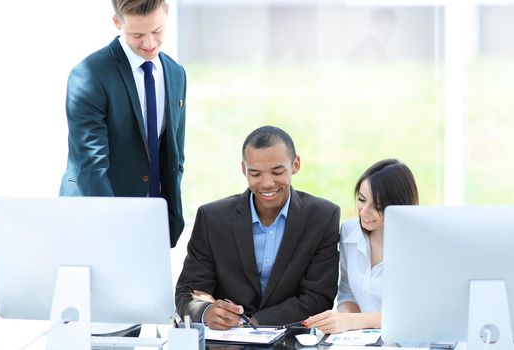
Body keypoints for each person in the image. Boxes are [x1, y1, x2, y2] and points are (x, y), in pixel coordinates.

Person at [175, 125, 341, 330]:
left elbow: (318, 297)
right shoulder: (212, 218)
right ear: (244, 169)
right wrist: (207, 312)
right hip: (225, 342)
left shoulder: (323, 217)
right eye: (255, 174)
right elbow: (188, 293)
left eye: (277, 171)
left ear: (295, 164)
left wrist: (255, 323)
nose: (267, 183)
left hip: (289, 340)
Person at [59, 0, 186, 247]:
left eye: (157, 31)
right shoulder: (89, 75)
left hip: (151, 219)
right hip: (94, 220)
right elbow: (91, 166)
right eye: (137, 34)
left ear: (167, 12)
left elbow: (175, 155)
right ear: (117, 22)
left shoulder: (176, 73)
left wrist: (170, 218)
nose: (149, 43)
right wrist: (115, 231)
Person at [304, 159, 419, 334]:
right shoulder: (349, 232)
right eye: (362, 200)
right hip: (364, 341)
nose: (364, 212)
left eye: (378, 206)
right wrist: (342, 320)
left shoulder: (418, 246)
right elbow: (347, 293)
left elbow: (414, 313)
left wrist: (352, 321)